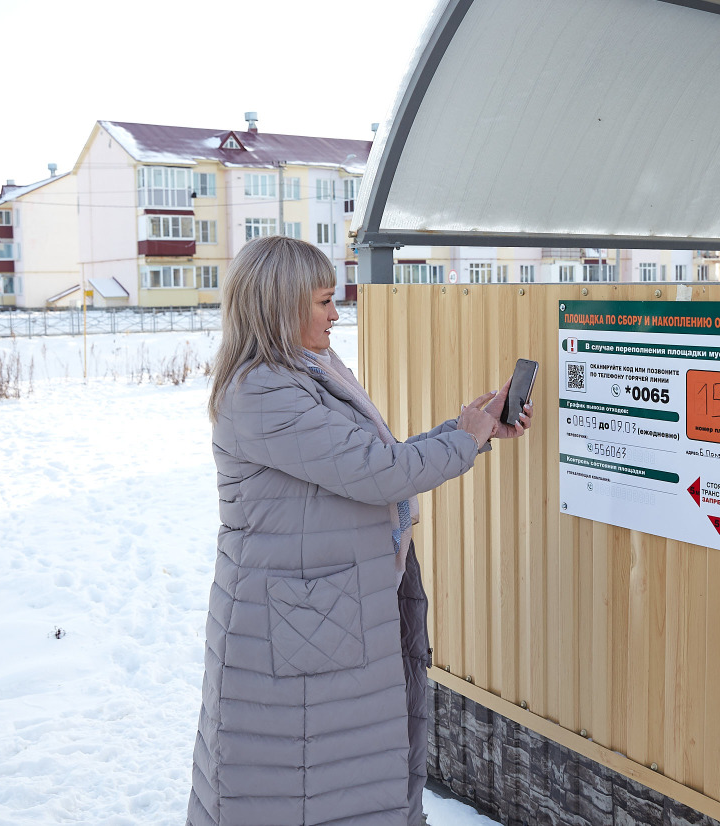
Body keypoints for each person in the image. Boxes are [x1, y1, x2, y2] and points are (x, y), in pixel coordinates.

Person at [187, 236, 533, 826]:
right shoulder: (265, 393)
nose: (334, 314)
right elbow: (380, 473)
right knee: (303, 784)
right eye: (323, 301)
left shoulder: (299, 375)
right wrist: (465, 437)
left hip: (317, 614)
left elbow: (369, 461)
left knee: (339, 781)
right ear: (280, 305)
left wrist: (466, 430)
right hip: (301, 622)